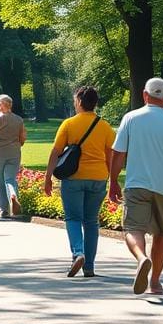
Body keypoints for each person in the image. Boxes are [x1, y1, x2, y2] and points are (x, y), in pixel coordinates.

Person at [108, 77, 163, 295]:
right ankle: (155, 282)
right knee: (161, 234)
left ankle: (142, 258)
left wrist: (113, 181)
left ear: (145, 95)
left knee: (133, 228)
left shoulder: (131, 119)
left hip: (137, 184)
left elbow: (118, 153)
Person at [45, 86, 115, 278]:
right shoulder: (105, 126)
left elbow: (55, 152)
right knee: (91, 221)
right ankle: (89, 266)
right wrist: (112, 179)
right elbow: (111, 156)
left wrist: (48, 177)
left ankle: (78, 253)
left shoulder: (69, 124)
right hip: (98, 177)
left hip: (73, 178)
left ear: (79, 102)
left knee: (73, 218)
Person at [0, 94, 26, 218]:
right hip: (14, 152)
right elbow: (23, 139)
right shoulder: (19, 120)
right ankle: (13, 195)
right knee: (10, 179)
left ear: (2, 105)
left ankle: (4, 210)